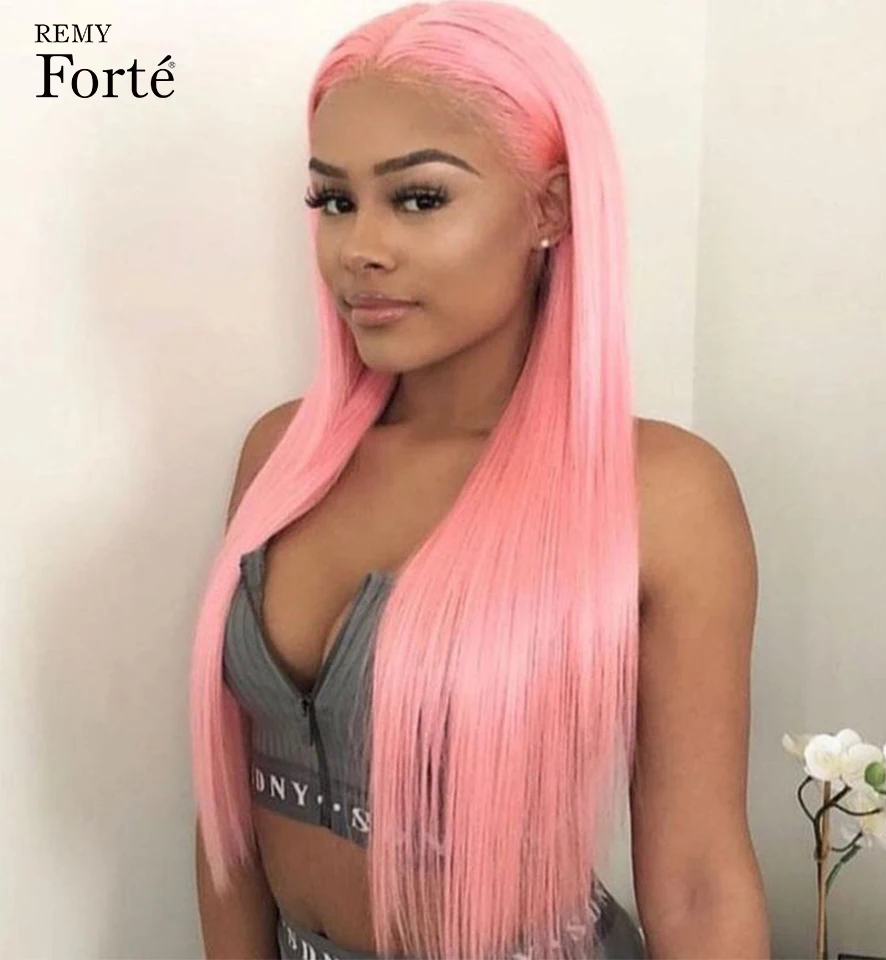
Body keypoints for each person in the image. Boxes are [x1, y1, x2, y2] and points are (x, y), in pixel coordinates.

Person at [191, 2, 771, 957]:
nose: (360, 247)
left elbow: (700, 879)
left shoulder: (662, 494)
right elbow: (229, 819)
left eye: (418, 198)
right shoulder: (282, 456)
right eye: (334, 200)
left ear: (549, 209)